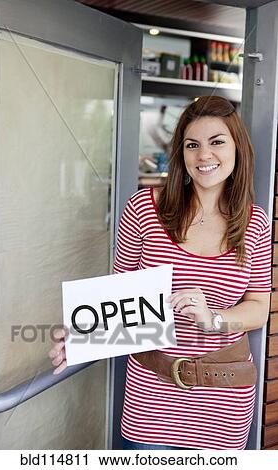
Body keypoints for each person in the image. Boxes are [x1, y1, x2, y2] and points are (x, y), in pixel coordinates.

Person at [49, 96, 272, 450]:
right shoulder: (143, 208)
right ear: (181, 154)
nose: (204, 155)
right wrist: (81, 337)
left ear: (237, 148)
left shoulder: (254, 222)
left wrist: (213, 318)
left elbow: (259, 307)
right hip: (150, 399)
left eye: (217, 142)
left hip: (225, 401)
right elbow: (117, 298)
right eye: (192, 145)